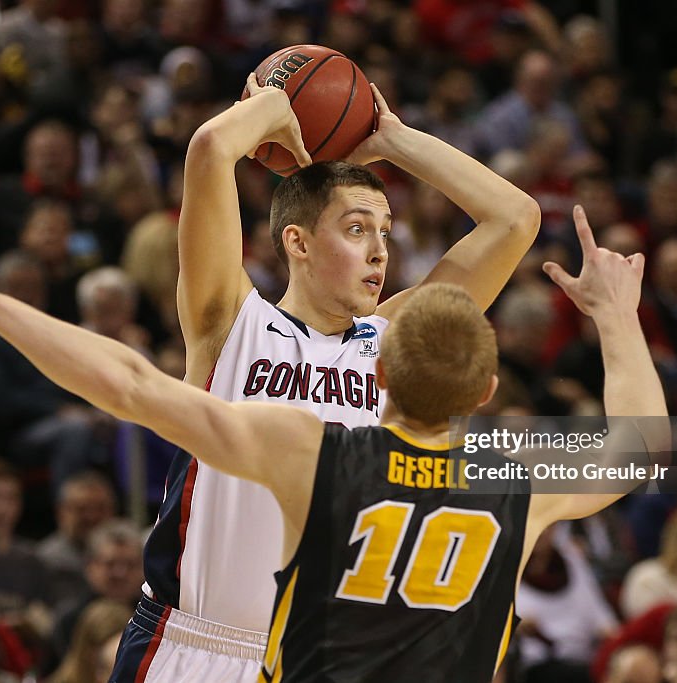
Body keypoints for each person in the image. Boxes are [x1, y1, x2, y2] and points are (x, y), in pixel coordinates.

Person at [0, 204, 666, 681]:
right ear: (488, 392)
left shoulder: (319, 454)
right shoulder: (521, 480)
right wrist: (616, 316)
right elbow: (641, 446)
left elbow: (130, 384)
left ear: (378, 375)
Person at [132, 72, 542, 679]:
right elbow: (211, 149)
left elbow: (515, 218)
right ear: (296, 242)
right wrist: (266, 107)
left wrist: (394, 139)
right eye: (356, 230)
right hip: (192, 644)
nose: (380, 251)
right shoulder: (230, 321)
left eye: (384, 232)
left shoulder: (399, 343)